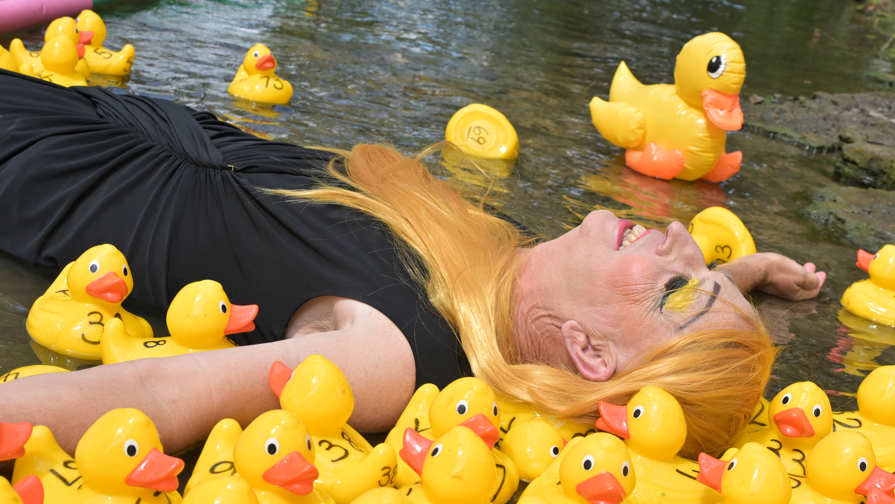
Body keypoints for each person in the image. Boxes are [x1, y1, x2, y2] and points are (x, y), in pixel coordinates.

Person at [0, 69, 824, 459]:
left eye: (680, 284)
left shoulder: (398, 353)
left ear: (588, 353)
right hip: (119, 119)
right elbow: (660, 339)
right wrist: (746, 276)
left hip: (46, 169)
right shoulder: (505, 271)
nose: (679, 236)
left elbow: (158, 394)